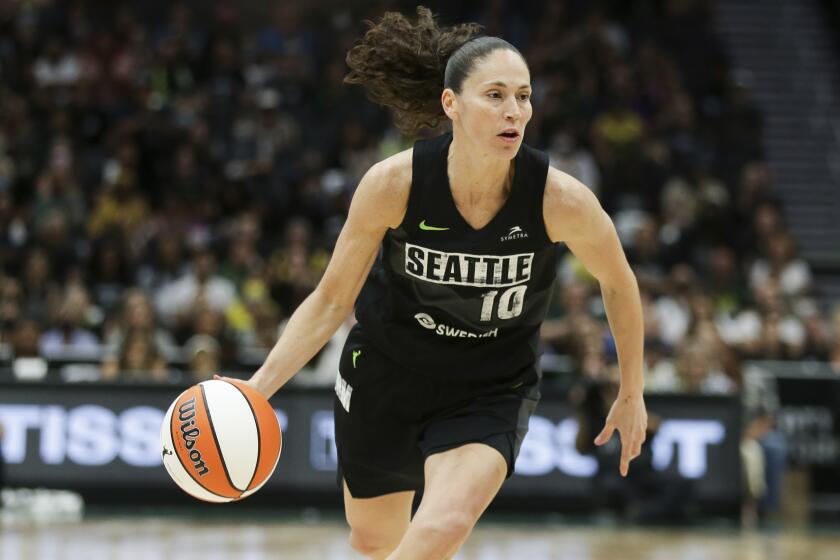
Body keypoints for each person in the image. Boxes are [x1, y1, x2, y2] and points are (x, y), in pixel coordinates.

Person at [220, 8, 647, 559]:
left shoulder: (559, 200)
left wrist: (632, 391)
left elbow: (619, 282)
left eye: (523, 96)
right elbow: (330, 300)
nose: (513, 110)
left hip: (490, 386)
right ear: (451, 104)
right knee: (375, 541)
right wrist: (256, 390)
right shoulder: (393, 184)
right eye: (495, 95)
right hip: (386, 374)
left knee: (444, 527)